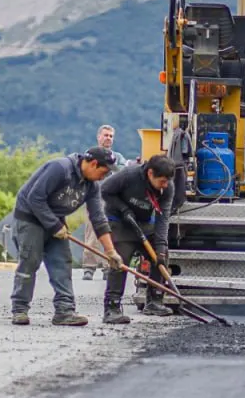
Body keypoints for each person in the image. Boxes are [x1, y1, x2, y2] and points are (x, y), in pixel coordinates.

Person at [10, 146, 124, 326]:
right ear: (93, 164)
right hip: (30, 218)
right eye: (104, 171)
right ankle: (19, 309)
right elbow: (35, 198)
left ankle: (64, 311)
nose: (105, 176)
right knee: (29, 262)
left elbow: (98, 219)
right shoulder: (60, 168)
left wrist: (111, 252)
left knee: (62, 263)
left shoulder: (91, 186)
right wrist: (54, 225)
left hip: (55, 221)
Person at [99, 154, 179, 323]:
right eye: (162, 181)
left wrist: (161, 247)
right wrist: (123, 208)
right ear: (150, 174)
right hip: (120, 221)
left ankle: (155, 301)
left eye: (167, 182)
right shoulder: (128, 175)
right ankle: (112, 308)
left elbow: (163, 217)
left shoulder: (168, 187)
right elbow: (104, 190)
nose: (165, 185)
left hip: (144, 222)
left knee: (160, 255)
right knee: (120, 260)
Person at [81, 125, 129, 281]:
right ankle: (89, 267)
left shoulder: (118, 158)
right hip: (93, 197)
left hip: (112, 201)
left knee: (110, 233)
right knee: (91, 233)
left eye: (111, 136)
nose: (108, 138)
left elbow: (122, 175)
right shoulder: (90, 155)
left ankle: (108, 266)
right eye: (106, 135)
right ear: (98, 137)